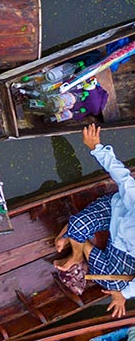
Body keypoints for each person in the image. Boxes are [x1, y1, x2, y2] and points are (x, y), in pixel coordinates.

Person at [54, 124, 135, 318]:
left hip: (125, 252)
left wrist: (122, 295)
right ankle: (76, 252)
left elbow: (125, 290)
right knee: (78, 226)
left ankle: (81, 243)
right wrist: (96, 148)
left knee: (113, 284)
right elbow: (123, 178)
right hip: (115, 210)